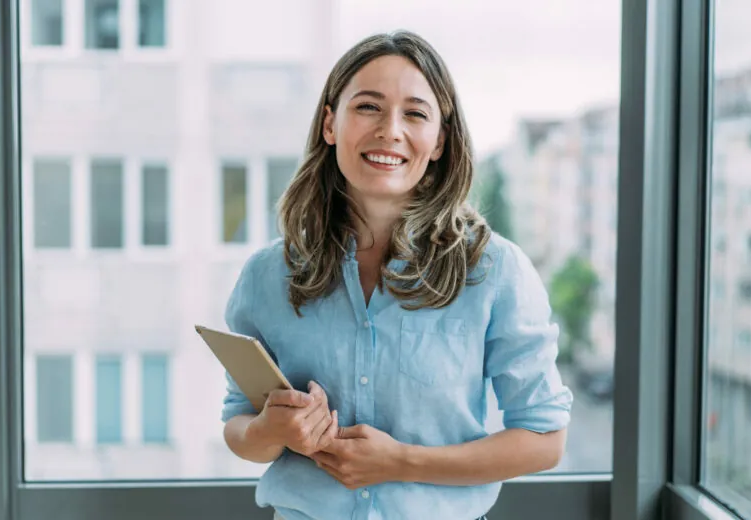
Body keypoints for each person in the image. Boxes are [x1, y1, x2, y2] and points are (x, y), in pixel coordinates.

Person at [220, 30, 573, 520]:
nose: (390, 130)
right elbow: (239, 424)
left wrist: (401, 462)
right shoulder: (267, 274)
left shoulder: (494, 271)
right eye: (368, 107)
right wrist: (271, 432)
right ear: (329, 123)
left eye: (415, 113)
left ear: (438, 141)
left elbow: (544, 439)